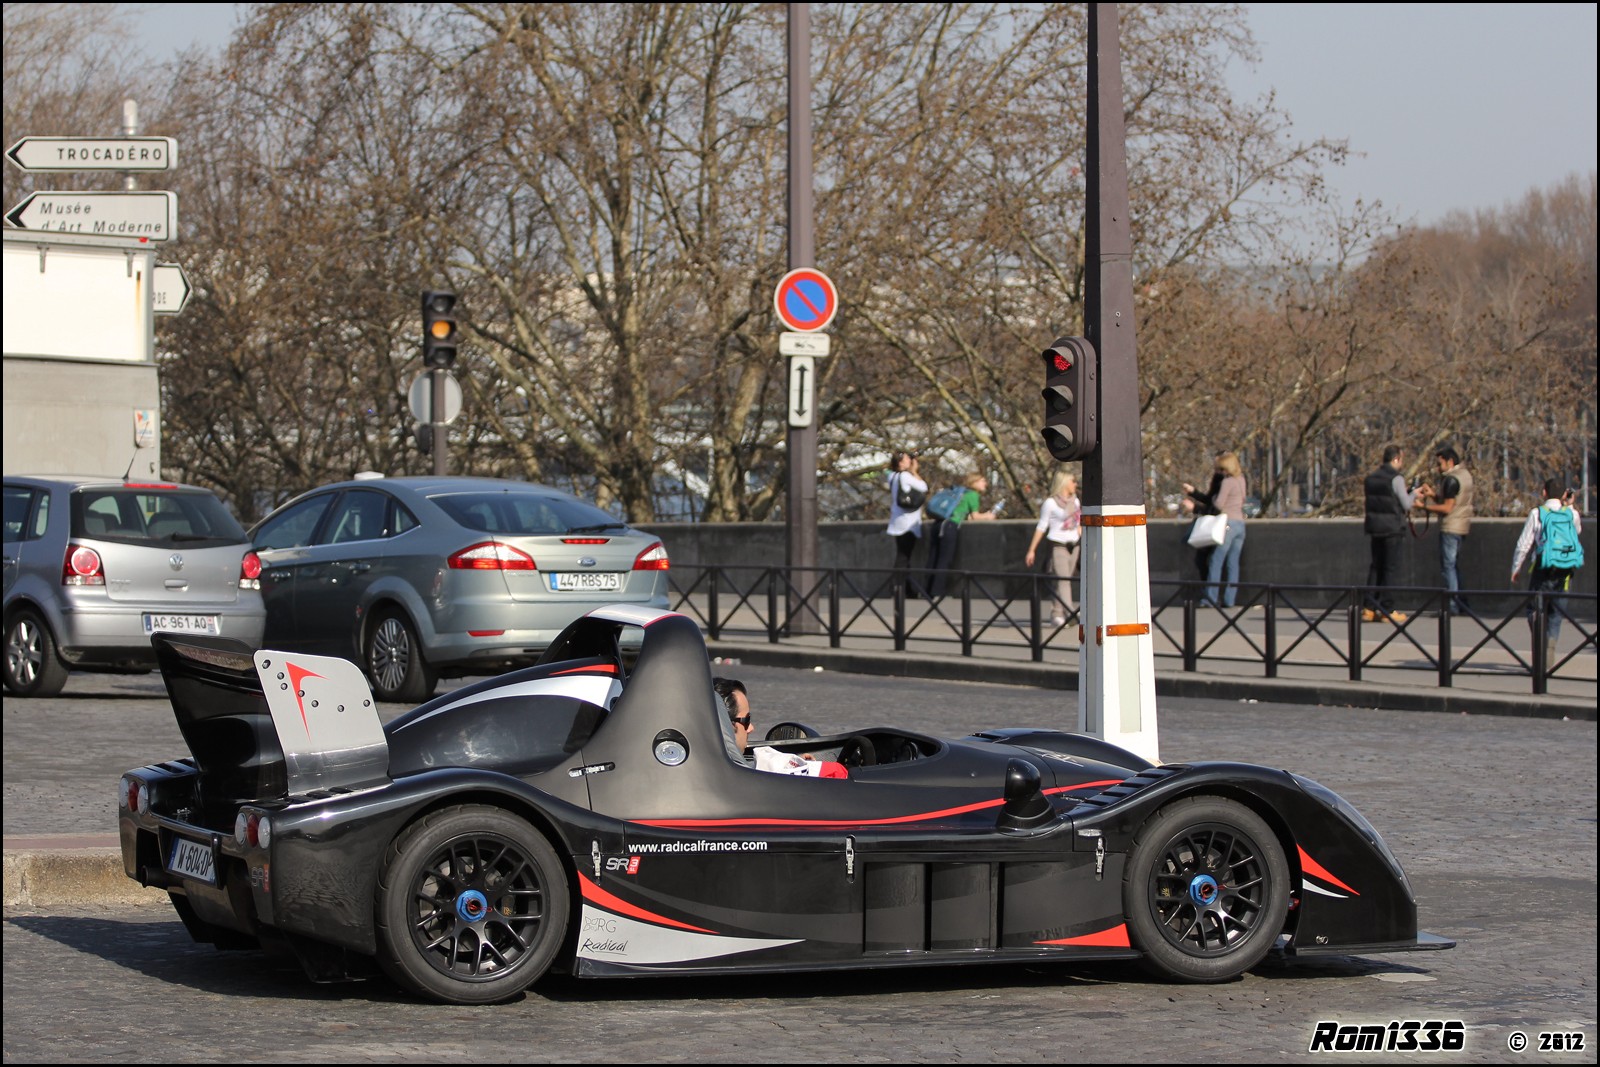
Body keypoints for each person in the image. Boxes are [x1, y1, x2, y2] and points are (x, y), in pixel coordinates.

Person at [1510, 479, 1585, 672]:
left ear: (1544, 493)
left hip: (1542, 569)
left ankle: (1540, 641)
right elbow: (1577, 532)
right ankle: (1550, 642)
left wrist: (1516, 568)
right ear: (1563, 495)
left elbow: (1524, 544)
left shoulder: (1537, 514)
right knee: (1556, 612)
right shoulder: (1572, 514)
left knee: (1533, 609)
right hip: (1565, 571)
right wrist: (1570, 506)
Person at [713, 676, 847, 778]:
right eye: (747, 720)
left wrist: (794, 763)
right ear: (727, 726)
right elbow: (837, 773)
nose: (751, 728)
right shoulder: (746, 775)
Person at [1362, 444, 1419, 623]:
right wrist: (1414, 494)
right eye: (1401, 459)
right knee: (1390, 568)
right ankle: (1387, 608)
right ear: (1396, 459)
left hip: (1375, 527)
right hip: (1393, 528)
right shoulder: (1396, 479)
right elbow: (1406, 504)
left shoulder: (1371, 479)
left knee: (1376, 566)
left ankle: (1369, 607)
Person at [1414, 447, 1474, 614]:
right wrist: (1433, 495)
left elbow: (1448, 507)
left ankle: (1452, 605)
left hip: (1450, 527)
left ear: (1450, 462)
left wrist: (1423, 506)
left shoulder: (1451, 480)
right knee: (1455, 566)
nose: (1438, 468)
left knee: (1448, 567)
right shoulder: (1465, 475)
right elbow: (1455, 501)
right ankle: (1462, 602)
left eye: (1439, 463)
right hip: (1462, 525)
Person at [1183, 452, 1247, 608]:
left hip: (1227, 524)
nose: (1220, 472)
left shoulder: (1228, 482)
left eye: (1222, 469)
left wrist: (1201, 503)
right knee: (1233, 563)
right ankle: (1229, 599)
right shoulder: (1241, 480)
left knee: (1215, 560)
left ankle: (1210, 598)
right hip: (1240, 523)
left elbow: (1218, 504)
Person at [925, 472, 998, 599]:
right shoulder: (973, 495)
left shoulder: (961, 492)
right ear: (974, 483)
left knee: (933, 557)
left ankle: (926, 590)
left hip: (938, 524)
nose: (985, 483)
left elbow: (964, 512)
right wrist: (988, 516)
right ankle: (937, 591)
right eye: (982, 481)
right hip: (950, 526)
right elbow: (975, 516)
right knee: (944, 559)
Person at [1024, 471, 1081, 624]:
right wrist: (1031, 550)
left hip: (1074, 544)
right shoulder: (1050, 503)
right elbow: (1042, 526)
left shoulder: (1075, 502)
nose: (1075, 484)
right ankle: (1070, 613)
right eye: (1072, 481)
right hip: (1058, 544)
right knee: (1064, 581)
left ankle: (1056, 613)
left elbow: (1079, 523)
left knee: (1063, 580)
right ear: (1064, 483)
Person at [885, 451, 927, 593]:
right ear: (900, 463)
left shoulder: (892, 476)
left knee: (903, 554)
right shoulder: (905, 476)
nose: (910, 461)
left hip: (897, 520)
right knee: (903, 556)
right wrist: (914, 471)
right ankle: (897, 586)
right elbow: (923, 487)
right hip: (908, 522)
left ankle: (906, 588)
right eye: (908, 459)